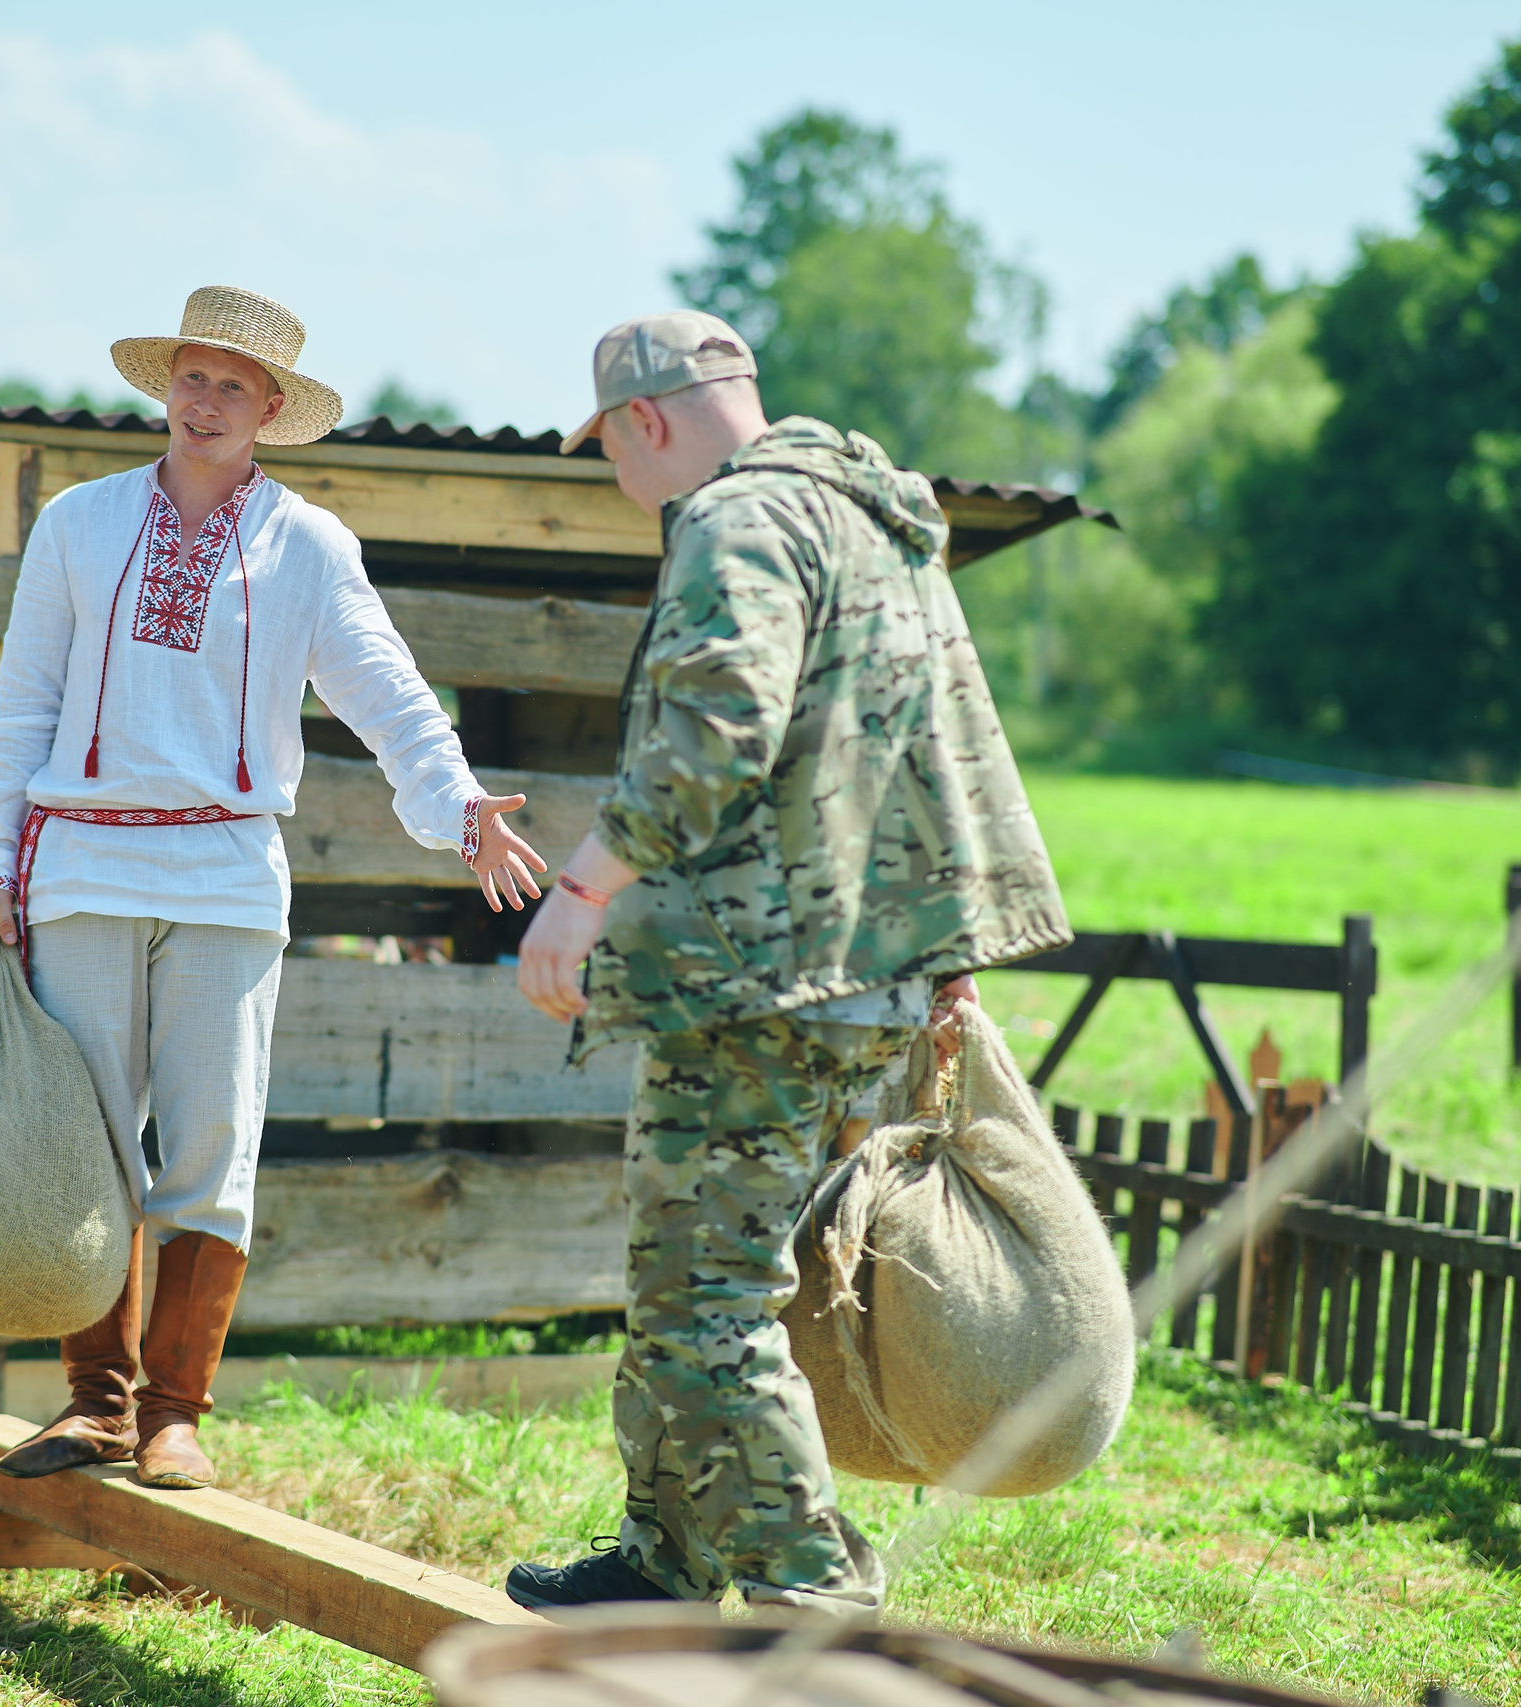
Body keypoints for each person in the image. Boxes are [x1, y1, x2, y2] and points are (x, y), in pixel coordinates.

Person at [503, 312, 1072, 1613]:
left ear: (647, 418)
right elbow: (937, 747)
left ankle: (817, 1605)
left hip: (749, 980)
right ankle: (665, 1559)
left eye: (610, 448)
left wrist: (581, 889)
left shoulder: (734, 518)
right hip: (858, 977)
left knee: (701, 1304)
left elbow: (717, 727)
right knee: (699, 1277)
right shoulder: (879, 522)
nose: (617, 474)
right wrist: (945, 954)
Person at [0, 285, 544, 1491]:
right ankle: (96, 1402)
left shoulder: (308, 545)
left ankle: (174, 1414)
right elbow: (22, 706)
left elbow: (385, 690)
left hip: (226, 874)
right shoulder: (77, 523)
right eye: (193, 375)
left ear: (272, 409)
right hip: (81, 864)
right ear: (164, 384)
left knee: (214, 1141)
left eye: (235, 385)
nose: (207, 400)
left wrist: (458, 804)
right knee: (85, 1141)